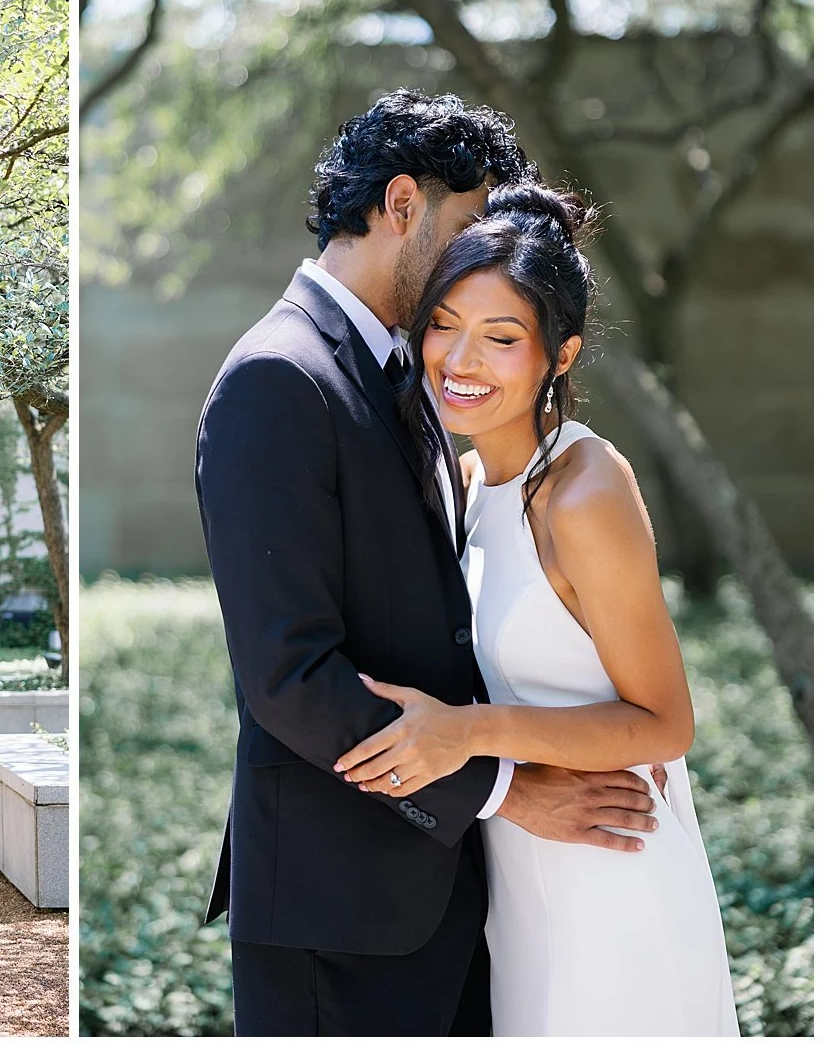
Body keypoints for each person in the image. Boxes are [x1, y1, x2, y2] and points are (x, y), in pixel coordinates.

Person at [194, 90, 663, 1036]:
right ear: (402, 204)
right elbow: (290, 677)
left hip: (455, 903)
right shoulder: (278, 377)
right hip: (342, 915)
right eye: (465, 226)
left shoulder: (408, 371)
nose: (475, 259)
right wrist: (504, 787)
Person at [333, 183, 739, 1034]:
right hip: (518, 881)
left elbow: (666, 723)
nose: (460, 360)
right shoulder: (474, 480)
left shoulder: (584, 491)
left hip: (610, 874)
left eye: (502, 338)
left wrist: (470, 731)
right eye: (443, 323)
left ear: (560, 356)